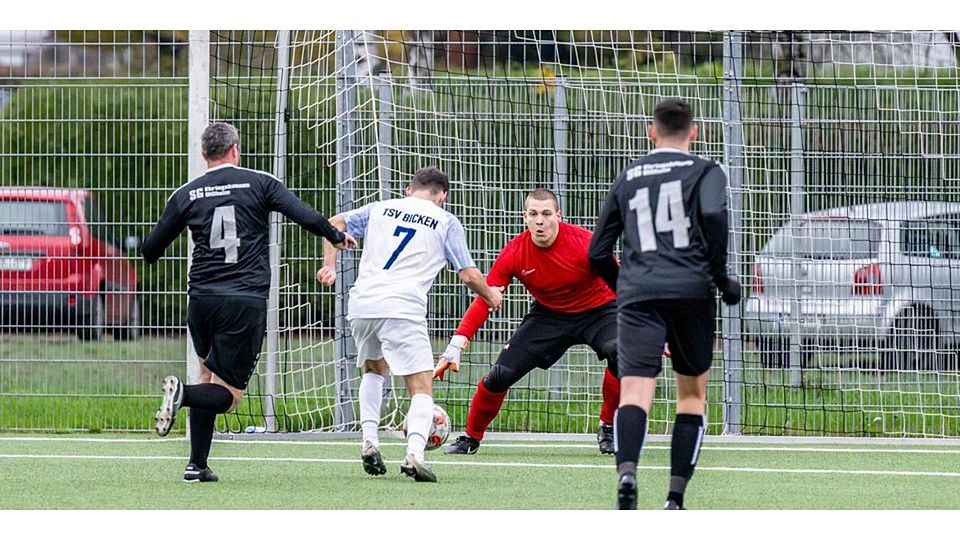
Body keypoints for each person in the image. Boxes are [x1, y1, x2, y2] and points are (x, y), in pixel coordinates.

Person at [143, 122, 356, 483]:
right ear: (235, 150)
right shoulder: (260, 182)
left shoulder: (187, 193)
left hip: (202, 301)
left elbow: (150, 250)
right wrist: (335, 236)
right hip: (244, 302)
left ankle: (196, 465)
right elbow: (304, 215)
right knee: (228, 396)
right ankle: (182, 395)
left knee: (209, 375)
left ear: (203, 154)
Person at [587, 98, 740, 510]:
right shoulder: (707, 171)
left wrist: (628, 288)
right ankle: (674, 498)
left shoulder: (629, 177)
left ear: (651, 132)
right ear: (694, 132)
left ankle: (627, 474)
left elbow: (597, 252)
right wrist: (722, 279)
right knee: (691, 397)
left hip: (639, 296)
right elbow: (713, 220)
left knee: (635, 391)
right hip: (692, 292)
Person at [316, 166, 502, 482]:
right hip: (402, 307)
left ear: (408, 189)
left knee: (374, 370)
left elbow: (334, 223)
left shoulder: (381, 208)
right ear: (442, 196)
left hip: (362, 304)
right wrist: (491, 296)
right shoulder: (445, 221)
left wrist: (329, 266)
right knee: (421, 385)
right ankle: (414, 453)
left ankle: (369, 442)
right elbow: (469, 274)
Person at [435, 188, 623, 456]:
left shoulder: (586, 242)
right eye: (533, 214)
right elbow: (485, 298)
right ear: (524, 217)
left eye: (546, 214)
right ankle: (470, 438)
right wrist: (455, 345)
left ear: (558, 215)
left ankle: (608, 427)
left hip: (600, 311)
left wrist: (647, 327)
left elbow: (622, 284)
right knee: (500, 375)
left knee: (622, 352)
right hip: (549, 316)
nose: (540, 220)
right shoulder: (515, 251)